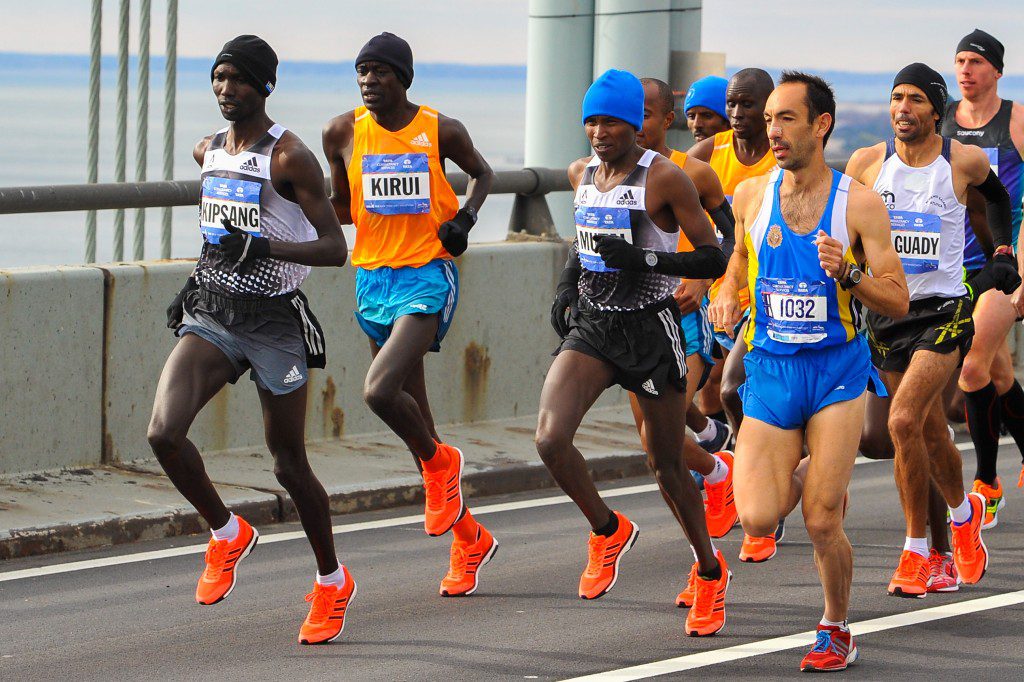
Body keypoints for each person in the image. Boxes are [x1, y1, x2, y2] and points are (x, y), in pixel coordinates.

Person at [150, 36, 353, 644]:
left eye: (238, 79)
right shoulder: (206, 150)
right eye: (218, 78)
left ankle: (330, 580)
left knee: (288, 465)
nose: (225, 89)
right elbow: (221, 228)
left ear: (263, 86)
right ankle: (226, 532)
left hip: (274, 321)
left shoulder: (289, 157)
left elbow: (334, 248)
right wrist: (198, 278)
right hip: (213, 310)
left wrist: (264, 247)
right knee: (163, 433)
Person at [710, 72, 910, 671]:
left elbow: (898, 299)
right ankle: (811, 461)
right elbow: (738, 267)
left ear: (821, 125)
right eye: (769, 118)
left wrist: (848, 275)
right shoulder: (751, 196)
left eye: (786, 118)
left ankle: (835, 626)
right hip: (771, 369)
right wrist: (726, 294)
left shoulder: (859, 203)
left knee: (822, 517)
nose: (772, 130)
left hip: (836, 372)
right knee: (758, 517)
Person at [541, 69, 730, 636]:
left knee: (667, 466)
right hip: (596, 328)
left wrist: (646, 262)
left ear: (634, 124)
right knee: (550, 439)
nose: (599, 132)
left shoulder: (665, 178)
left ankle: (708, 569)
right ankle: (607, 530)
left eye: (612, 122)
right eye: (591, 122)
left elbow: (714, 256)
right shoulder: (583, 175)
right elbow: (586, 239)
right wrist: (566, 285)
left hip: (651, 329)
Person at [322, 32, 497, 597]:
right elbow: (342, 208)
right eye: (361, 72)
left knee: (377, 391)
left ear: (403, 78)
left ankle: (443, 464)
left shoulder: (440, 129)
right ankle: (469, 540)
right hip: (371, 280)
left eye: (380, 72)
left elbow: (484, 174)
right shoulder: (341, 132)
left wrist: (465, 219)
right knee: (416, 423)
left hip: (426, 273)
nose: (369, 81)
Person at [848, 63, 1017, 598]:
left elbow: (998, 199)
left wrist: (1002, 251)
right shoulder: (867, 162)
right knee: (925, 430)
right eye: (897, 97)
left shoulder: (961, 161)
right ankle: (962, 519)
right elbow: (847, 221)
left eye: (917, 99)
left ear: (937, 110)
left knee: (901, 421)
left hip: (944, 311)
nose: (904, 108)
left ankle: (917, 549)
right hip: (888, 312)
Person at [634, 78, 741, 587]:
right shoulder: (602, 173)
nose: (634, 125)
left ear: (664, 119)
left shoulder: (690, 170)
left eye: (646, 115)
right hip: (629, 320)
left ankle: (705, 564)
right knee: (656, 446)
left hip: (683, 315)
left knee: (661, 439)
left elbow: (728, 233)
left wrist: (700, 278)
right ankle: (718, 463)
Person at [690, 68, 783, 559]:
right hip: (720, 295)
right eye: (733, 104)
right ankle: (744, 476)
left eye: (748, 105)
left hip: (769, 300)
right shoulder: (709, 155)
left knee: (733, 389)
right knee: (714, 391)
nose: (737, 114)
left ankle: (758, 491)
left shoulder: (781, 159)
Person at [942, 29, 1024, 527]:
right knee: (999, 375)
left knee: (974, 370)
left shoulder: (1015, 119)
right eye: (960, 61)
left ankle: (986, 483)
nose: (966, 70)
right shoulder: (944, 120)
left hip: (1000, 266)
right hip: (953, 271)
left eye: (976, 61)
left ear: (995, 69)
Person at [684, 75, 730, 143]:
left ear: (728, 121)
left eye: (707, 116)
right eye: (691, 116)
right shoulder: (687, 154)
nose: (696, 124)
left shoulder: (749, 152)